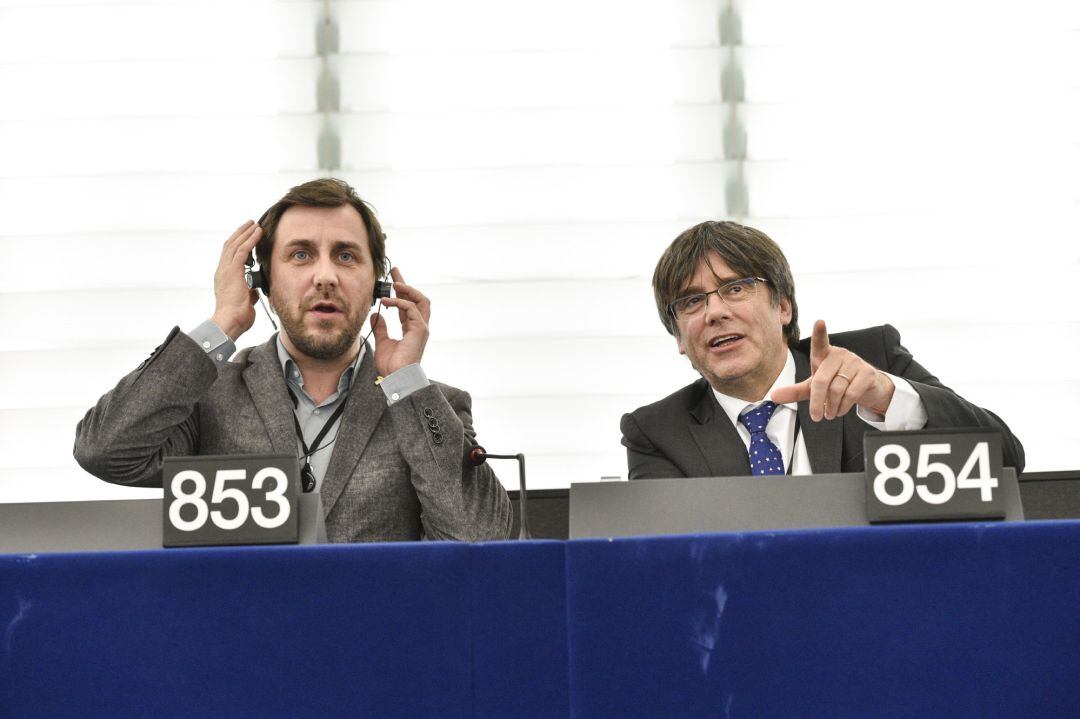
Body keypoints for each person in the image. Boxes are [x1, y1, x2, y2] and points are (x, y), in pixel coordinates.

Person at [75, 178, 512, 542]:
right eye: (301, 255)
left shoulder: (427, 407)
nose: (325, 276)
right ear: (262, 279)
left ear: (380, 283)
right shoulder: (208, 398)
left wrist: (407, 382)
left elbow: (481, 540)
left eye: (346, 255)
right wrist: (222, 324)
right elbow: (105, 452)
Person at [621, 221, 1024, 479]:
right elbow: (668, 563)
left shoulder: (873, 362)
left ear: (782, 306)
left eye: (735, 288)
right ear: (677, 336)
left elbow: (1004, 459)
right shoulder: (657, 432)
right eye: (691, 302)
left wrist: (887, 397)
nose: (714, 312)